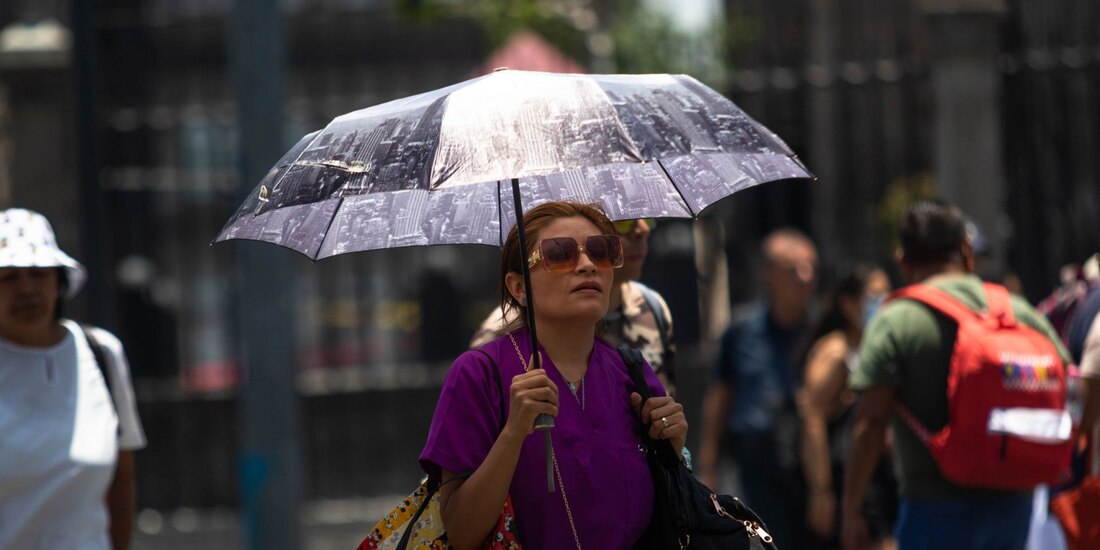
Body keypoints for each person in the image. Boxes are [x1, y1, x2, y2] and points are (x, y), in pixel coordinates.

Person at [420, 201, 687, 549]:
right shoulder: (479, 374)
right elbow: (462, 532)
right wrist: (513, 433)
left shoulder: (632, 372)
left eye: (601, 251)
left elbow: (665, 514)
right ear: (518, 288)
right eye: (560, 254)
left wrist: (674, 448)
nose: (588, 265)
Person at [841, 199, 1073, 550]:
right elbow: (1071, 386)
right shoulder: (1018, 310)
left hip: (934, 508)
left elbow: (871, 421)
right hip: (1015, 504)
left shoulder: (896, 318)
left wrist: (852, 510)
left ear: (903, 261)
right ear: (966, 250)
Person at [0, 208, 146, 550]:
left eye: (38, 274)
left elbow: (123, 478)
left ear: (59, 281)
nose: (27, 290)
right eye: (8, 277)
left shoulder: (102, 353)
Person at [699, 228, 818, 548]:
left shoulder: (822, 332)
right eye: (793, 269)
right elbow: (720, 396)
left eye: (810, 268)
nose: (805, 277)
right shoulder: (741, 330)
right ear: (769, 275)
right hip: (754, 461)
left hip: (808, 462)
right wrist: (708, 466)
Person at [471, 217, 678, 395]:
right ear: (519, 286)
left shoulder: (652, 308)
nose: (642, 229)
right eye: (623, 221)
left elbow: (666, 409)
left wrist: (667, 436)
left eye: (647, 217)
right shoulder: (499, 337)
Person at [798, 263, 896, 549]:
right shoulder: (836, 351)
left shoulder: (872, 345)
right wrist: (821, 491)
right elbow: (812, 417)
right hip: (846, 479)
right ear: (848, 304)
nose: (883, 304)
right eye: (874, 296)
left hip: (875, 477)